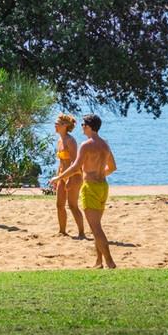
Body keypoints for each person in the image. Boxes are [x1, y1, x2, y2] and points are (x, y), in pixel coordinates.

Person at [50, 114, 117, 269]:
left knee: (96, 228)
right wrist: (99, 174)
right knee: (95, 225)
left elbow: (75, 167)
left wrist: (59, 177)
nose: (81, 127)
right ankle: (99, 262)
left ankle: (110, 262)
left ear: (88, 127)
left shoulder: (86, 145)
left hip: (90, 187)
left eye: (83, 125)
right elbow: (112, 167)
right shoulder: (105, 144)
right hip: (103, 186)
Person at [53, 114, 85, 238]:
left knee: (72, 205)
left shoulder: (71, 141)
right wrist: (57, 178)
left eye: (57, 124)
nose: (55, 125)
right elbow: (61, 162)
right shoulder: (59, 141)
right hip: (62, 176)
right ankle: (62, 231)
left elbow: (74, 163)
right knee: (59, 205)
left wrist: (70, 179)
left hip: (74, 175)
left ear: (65, 125)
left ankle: (81, 233)